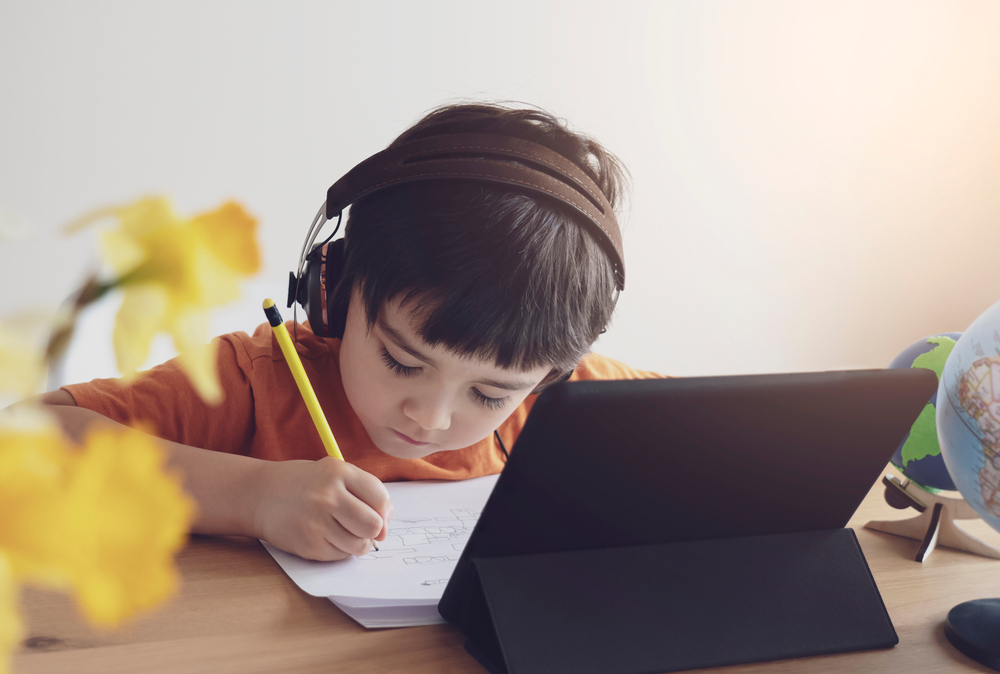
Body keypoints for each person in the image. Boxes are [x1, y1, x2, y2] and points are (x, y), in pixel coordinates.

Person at [36, 102, 661, 562]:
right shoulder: (257, 383)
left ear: (547, 377)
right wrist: (253, 495)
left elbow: (731, 425)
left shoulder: (558, 405)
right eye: (401, 361)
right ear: (330, 289)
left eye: (491, 395)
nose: (432, 417)